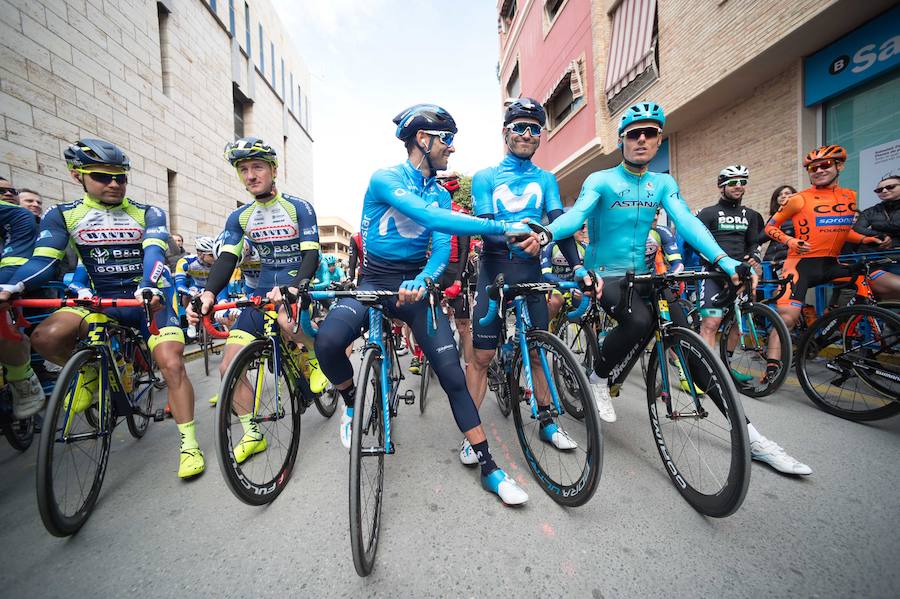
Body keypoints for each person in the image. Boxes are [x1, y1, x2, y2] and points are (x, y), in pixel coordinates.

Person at [518, 102, 811, 475]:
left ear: (659, 140)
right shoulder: (601, 180)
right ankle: (598, 377)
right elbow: (576, 215)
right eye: (634, 133)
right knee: (639, 322)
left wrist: (724, 262)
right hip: (607, 273)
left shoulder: (663, 183)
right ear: (622, 139)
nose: (642, 140)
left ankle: (750, 436)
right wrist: (547, 233)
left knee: (690, 345)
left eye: (650, 133)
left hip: (647, 275)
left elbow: (687, 222)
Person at [312, 103, 532, 505]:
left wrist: (425, 279)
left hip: (414, 285)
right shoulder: (386, 179)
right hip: (374, 280)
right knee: (327, 343)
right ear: (423, 140)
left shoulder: (439, 193)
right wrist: (502, 227)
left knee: (451, 373)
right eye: (447, 140)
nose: (452, 149)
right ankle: (349, 403)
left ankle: (489, 467)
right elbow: (426, 217)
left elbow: (441, 246)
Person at [0, 138, 204, 478]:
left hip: (147, 297)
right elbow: (44, 259)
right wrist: (12, 286)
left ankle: (189, 444)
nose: (114, 184)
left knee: (171, 363)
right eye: (101, 176)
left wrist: (149, 286)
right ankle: (96, 370)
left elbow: (154, 254)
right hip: (99, 299)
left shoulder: (147, 212)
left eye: (120, 177)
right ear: (76, 175)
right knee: (45, 337)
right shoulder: (62, 214)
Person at [189, 137, 326, 461]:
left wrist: (296, 286)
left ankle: (315, 356)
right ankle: (252, 432)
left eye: (257, 167)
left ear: (273, 170)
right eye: (244, 169)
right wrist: (208, 293)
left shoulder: (298, 207)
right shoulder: (239, 217)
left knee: (285, 320)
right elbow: (225, 259)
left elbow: (311, 255)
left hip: (298, 281)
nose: (251, 175)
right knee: (228, 364)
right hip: (260, 290)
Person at [464, 97, 584, 462]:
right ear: (506, 132)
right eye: (520, 127)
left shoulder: (546, 179)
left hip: (531, 271)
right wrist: (523, 238)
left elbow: (559, 226)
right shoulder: (486, 177)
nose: (528, 134)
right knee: (482, 357)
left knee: (538, 350)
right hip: (495, 270)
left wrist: (578, 267)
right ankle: (471, 435)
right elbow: (487, 228)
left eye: (535, 128)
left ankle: (547, 421)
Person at [765, 146, 900, 340]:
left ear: (840, 166)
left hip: (832, 264)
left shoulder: (849, 196)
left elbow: (841, 231)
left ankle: (841, 332)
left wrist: (865, 239)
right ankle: (773, 369)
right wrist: (791, 240)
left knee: (889, 285)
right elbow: (770, 228)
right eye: (813, 168)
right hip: (800, 267)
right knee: (786, 320)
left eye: (825, 165)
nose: (819, 170)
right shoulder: (798, 199)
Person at [694, 166, 767, 376]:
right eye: (733, 182)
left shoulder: (752, 215)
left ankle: (726, 369)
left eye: (742, 182)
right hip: (713, 274)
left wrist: (754, 258)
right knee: (711, 322)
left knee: (738, 321)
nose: (738, 186)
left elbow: (754, 243)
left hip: (741, 275)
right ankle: (706, 372)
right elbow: (699, 245)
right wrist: (720, 264)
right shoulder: (707, 214)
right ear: (721, 186)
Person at [0, 195, 41, 418]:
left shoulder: (20, 218)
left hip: (21, 284)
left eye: (10, 192)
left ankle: (22, 379)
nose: (7, 195)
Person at [853, 173, 900, 275]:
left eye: (890, 187)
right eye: (879, 190)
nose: (884, 191)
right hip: (876, 258)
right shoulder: (871, 211)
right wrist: (882, 236)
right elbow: (857, 228)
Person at [174, 236, 217, 339]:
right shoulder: (186, 262)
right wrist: (192, 293)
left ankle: (212, 320)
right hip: (195, 287)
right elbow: (179, 286)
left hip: (210, 287)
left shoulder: (217, 263)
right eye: (211, 255)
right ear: (200, 254)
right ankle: (191, 323)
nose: (215, 257)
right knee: (186, 296)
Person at [761, 185, 797, 269]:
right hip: (770, 261)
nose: (783, 196)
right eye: (779, 194)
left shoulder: (801, 216)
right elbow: (761, 238)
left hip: (790, 261)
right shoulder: (774, 217)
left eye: (787, 193)